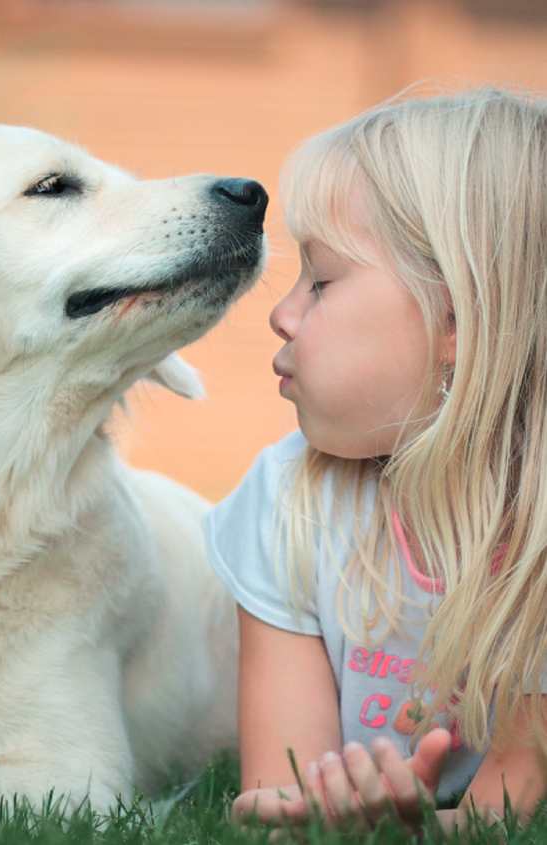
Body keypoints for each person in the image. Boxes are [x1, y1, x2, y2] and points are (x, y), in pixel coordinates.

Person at [204, 87, 547, 834]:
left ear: (455, 318)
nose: (281, 312)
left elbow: (510, 805)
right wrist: (315, 810)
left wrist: (412, 830)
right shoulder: (284, 500)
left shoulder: (537, 541)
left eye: (321, 282)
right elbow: (278, 789)